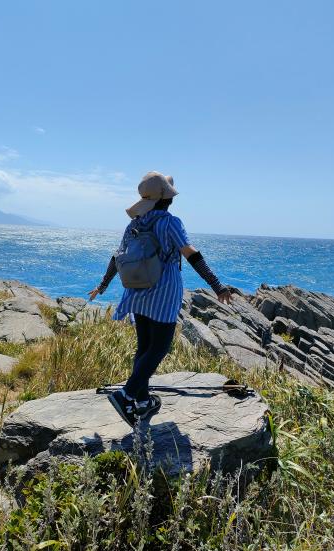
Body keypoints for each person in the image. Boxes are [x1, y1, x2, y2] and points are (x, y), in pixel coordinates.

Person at [89, 171, 231, 426]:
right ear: (168, 199)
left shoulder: (134, 224)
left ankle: (142, 400)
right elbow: (192, 255)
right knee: (160, 347)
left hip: (136, 292)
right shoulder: (170, 222)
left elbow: (116, 258)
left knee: (144, 346)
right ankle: (127, 394)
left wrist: (102, 284)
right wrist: (217, 285)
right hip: (163, 294)